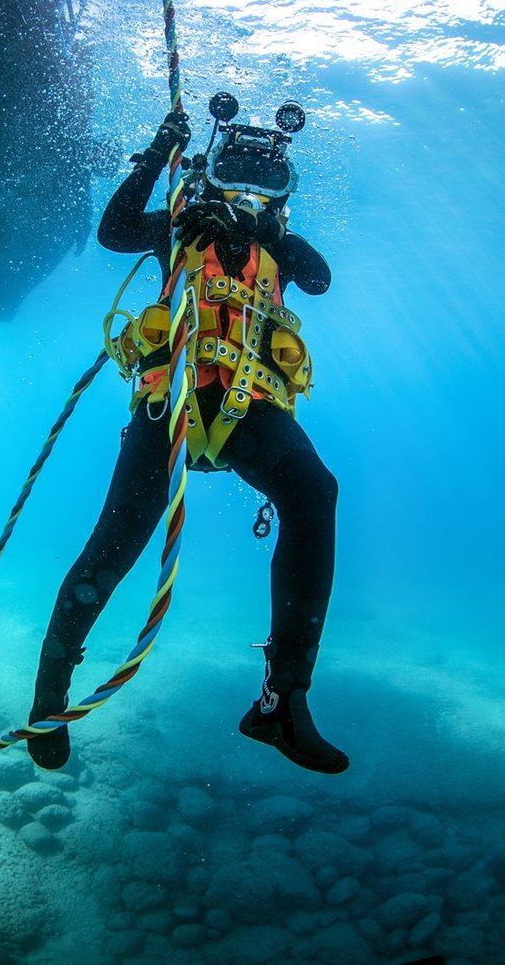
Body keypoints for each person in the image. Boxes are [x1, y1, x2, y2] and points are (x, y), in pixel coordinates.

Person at [28, 95, 349, 776]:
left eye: (269, 181)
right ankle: (47, 699)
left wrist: (275, 232)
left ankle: (282, 700)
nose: (249, 190)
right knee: (111, 549)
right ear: (209, 169)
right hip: (168, 405)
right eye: (236, 171)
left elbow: (319, 280)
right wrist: (157, 158)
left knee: (316, 493)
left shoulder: (277, 249)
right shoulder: (178, 227)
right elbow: (114, 231)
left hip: (252, 411)